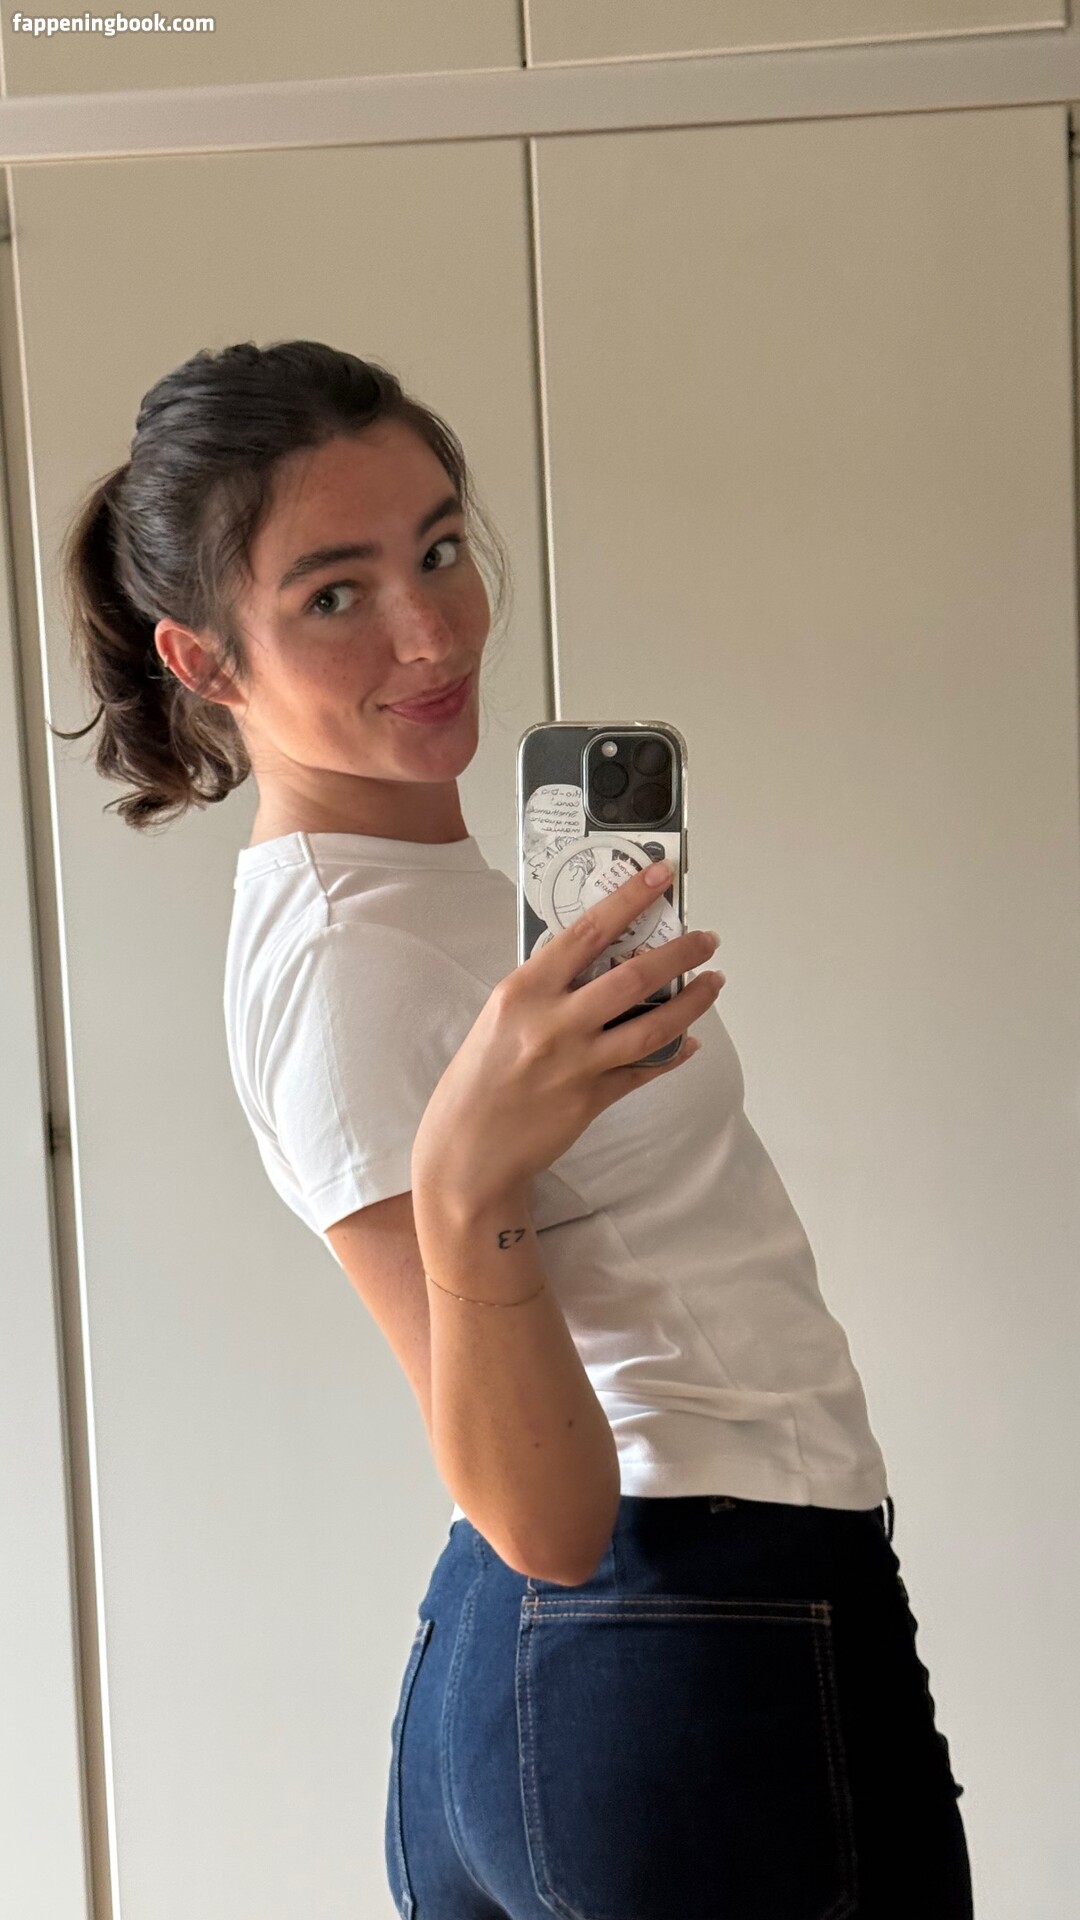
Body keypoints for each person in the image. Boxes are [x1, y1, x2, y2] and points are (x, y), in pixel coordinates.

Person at [55, 338, 974, 1918]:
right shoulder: (343, 959)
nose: (430, 631)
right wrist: (465, 1170)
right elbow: (543, 1519)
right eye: (333, 595)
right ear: (204, 661)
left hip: (609, 1658)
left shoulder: (428, 903)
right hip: (685, 1632)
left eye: (436, 551)